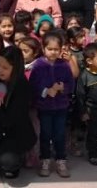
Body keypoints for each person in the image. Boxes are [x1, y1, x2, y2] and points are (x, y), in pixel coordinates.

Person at [0, 45, 37, 179]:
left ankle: (21, 155)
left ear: (15, 68)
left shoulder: (21, 87)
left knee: (7, 161)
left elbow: (8, 120)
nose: (0, 70)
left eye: (5, 67)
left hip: (16, 132)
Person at [30, 31, 74, 178]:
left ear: (61, 49)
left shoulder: (64, 65)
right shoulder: (38, 65)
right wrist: (46, 91)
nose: (53, 52)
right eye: (50, 49)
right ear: (43, 49)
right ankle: (45, 160)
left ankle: (61, 160)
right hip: (45, 108)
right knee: (45, 134)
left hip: (61, 107)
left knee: (60, 134)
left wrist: (63, 88)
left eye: (56, 49)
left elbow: (71, 84)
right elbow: (33, 85)